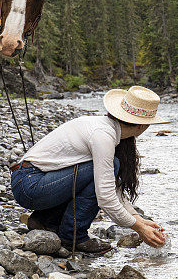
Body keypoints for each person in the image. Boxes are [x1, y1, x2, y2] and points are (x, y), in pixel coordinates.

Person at [10, 86, 169, 255]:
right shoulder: (103, 136)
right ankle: (73, 236)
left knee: (106, 170)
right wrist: (138, 228)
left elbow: (110, 185)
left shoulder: (104, 127)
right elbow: (105, 197)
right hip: (30, 186)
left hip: (29, 181)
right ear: (141, 127)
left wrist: (138, 219)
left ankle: (45, 219)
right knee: (111, 167)